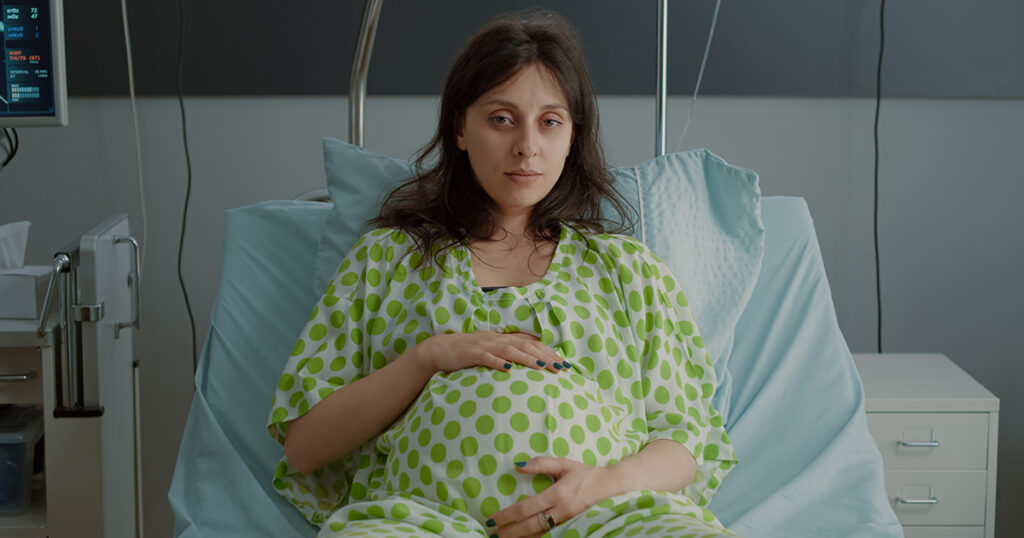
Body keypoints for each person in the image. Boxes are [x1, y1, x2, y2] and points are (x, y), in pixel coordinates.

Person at [267, 9, 738, 538]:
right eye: (501, 118)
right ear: (459, 129)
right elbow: (305, 447)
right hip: (418, 521)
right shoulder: (387, 261)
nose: (527, 147)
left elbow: (687, 440)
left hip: (607, 517)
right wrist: (429, 356)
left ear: (572, 137)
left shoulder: (628, 272)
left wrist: (602, 485)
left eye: (550, 122)